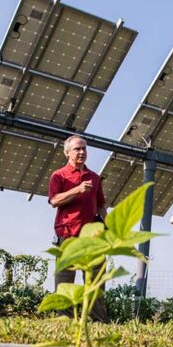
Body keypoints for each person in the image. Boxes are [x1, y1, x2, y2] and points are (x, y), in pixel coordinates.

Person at [48, 135, 108, 322]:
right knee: (65, 281)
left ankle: (99, 321)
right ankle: (64, 320)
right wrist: (77, 189)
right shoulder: (58, 175)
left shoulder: (95, 178)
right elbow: (54, 200)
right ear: (67, 152)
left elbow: (101, 205)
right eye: (77, 149)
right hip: (68, 236)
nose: (81, 152)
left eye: (84, 149)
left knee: (96, 281)